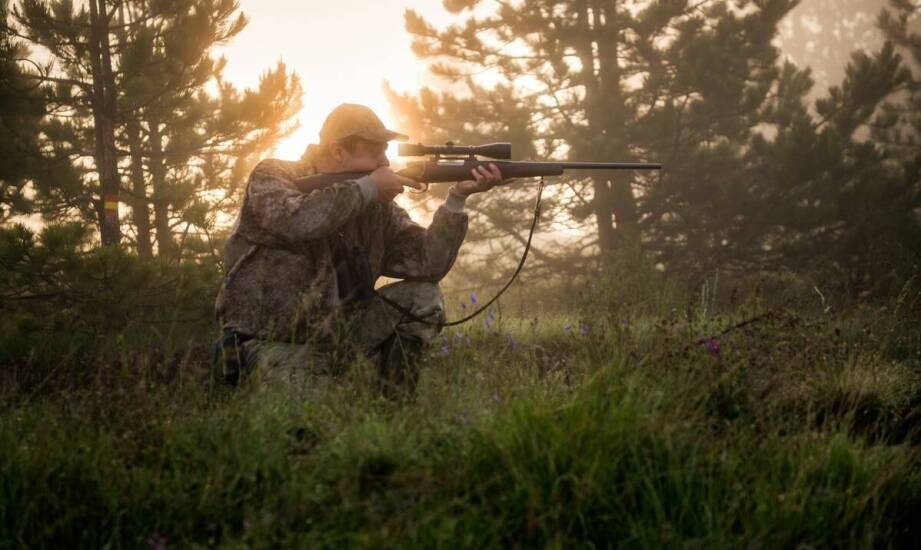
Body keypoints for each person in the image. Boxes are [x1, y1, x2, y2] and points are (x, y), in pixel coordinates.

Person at [213, 103, 505, 395]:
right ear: (338, 151)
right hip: (273, 340)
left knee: (423, 297)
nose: (385, 161)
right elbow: (298, 220)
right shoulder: (273, 175)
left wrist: (457, 199)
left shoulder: (377, 205)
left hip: (340, 332)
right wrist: (367, 188)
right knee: (311, 429)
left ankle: (391, 408)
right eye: (376, 150)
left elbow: (427, 263)